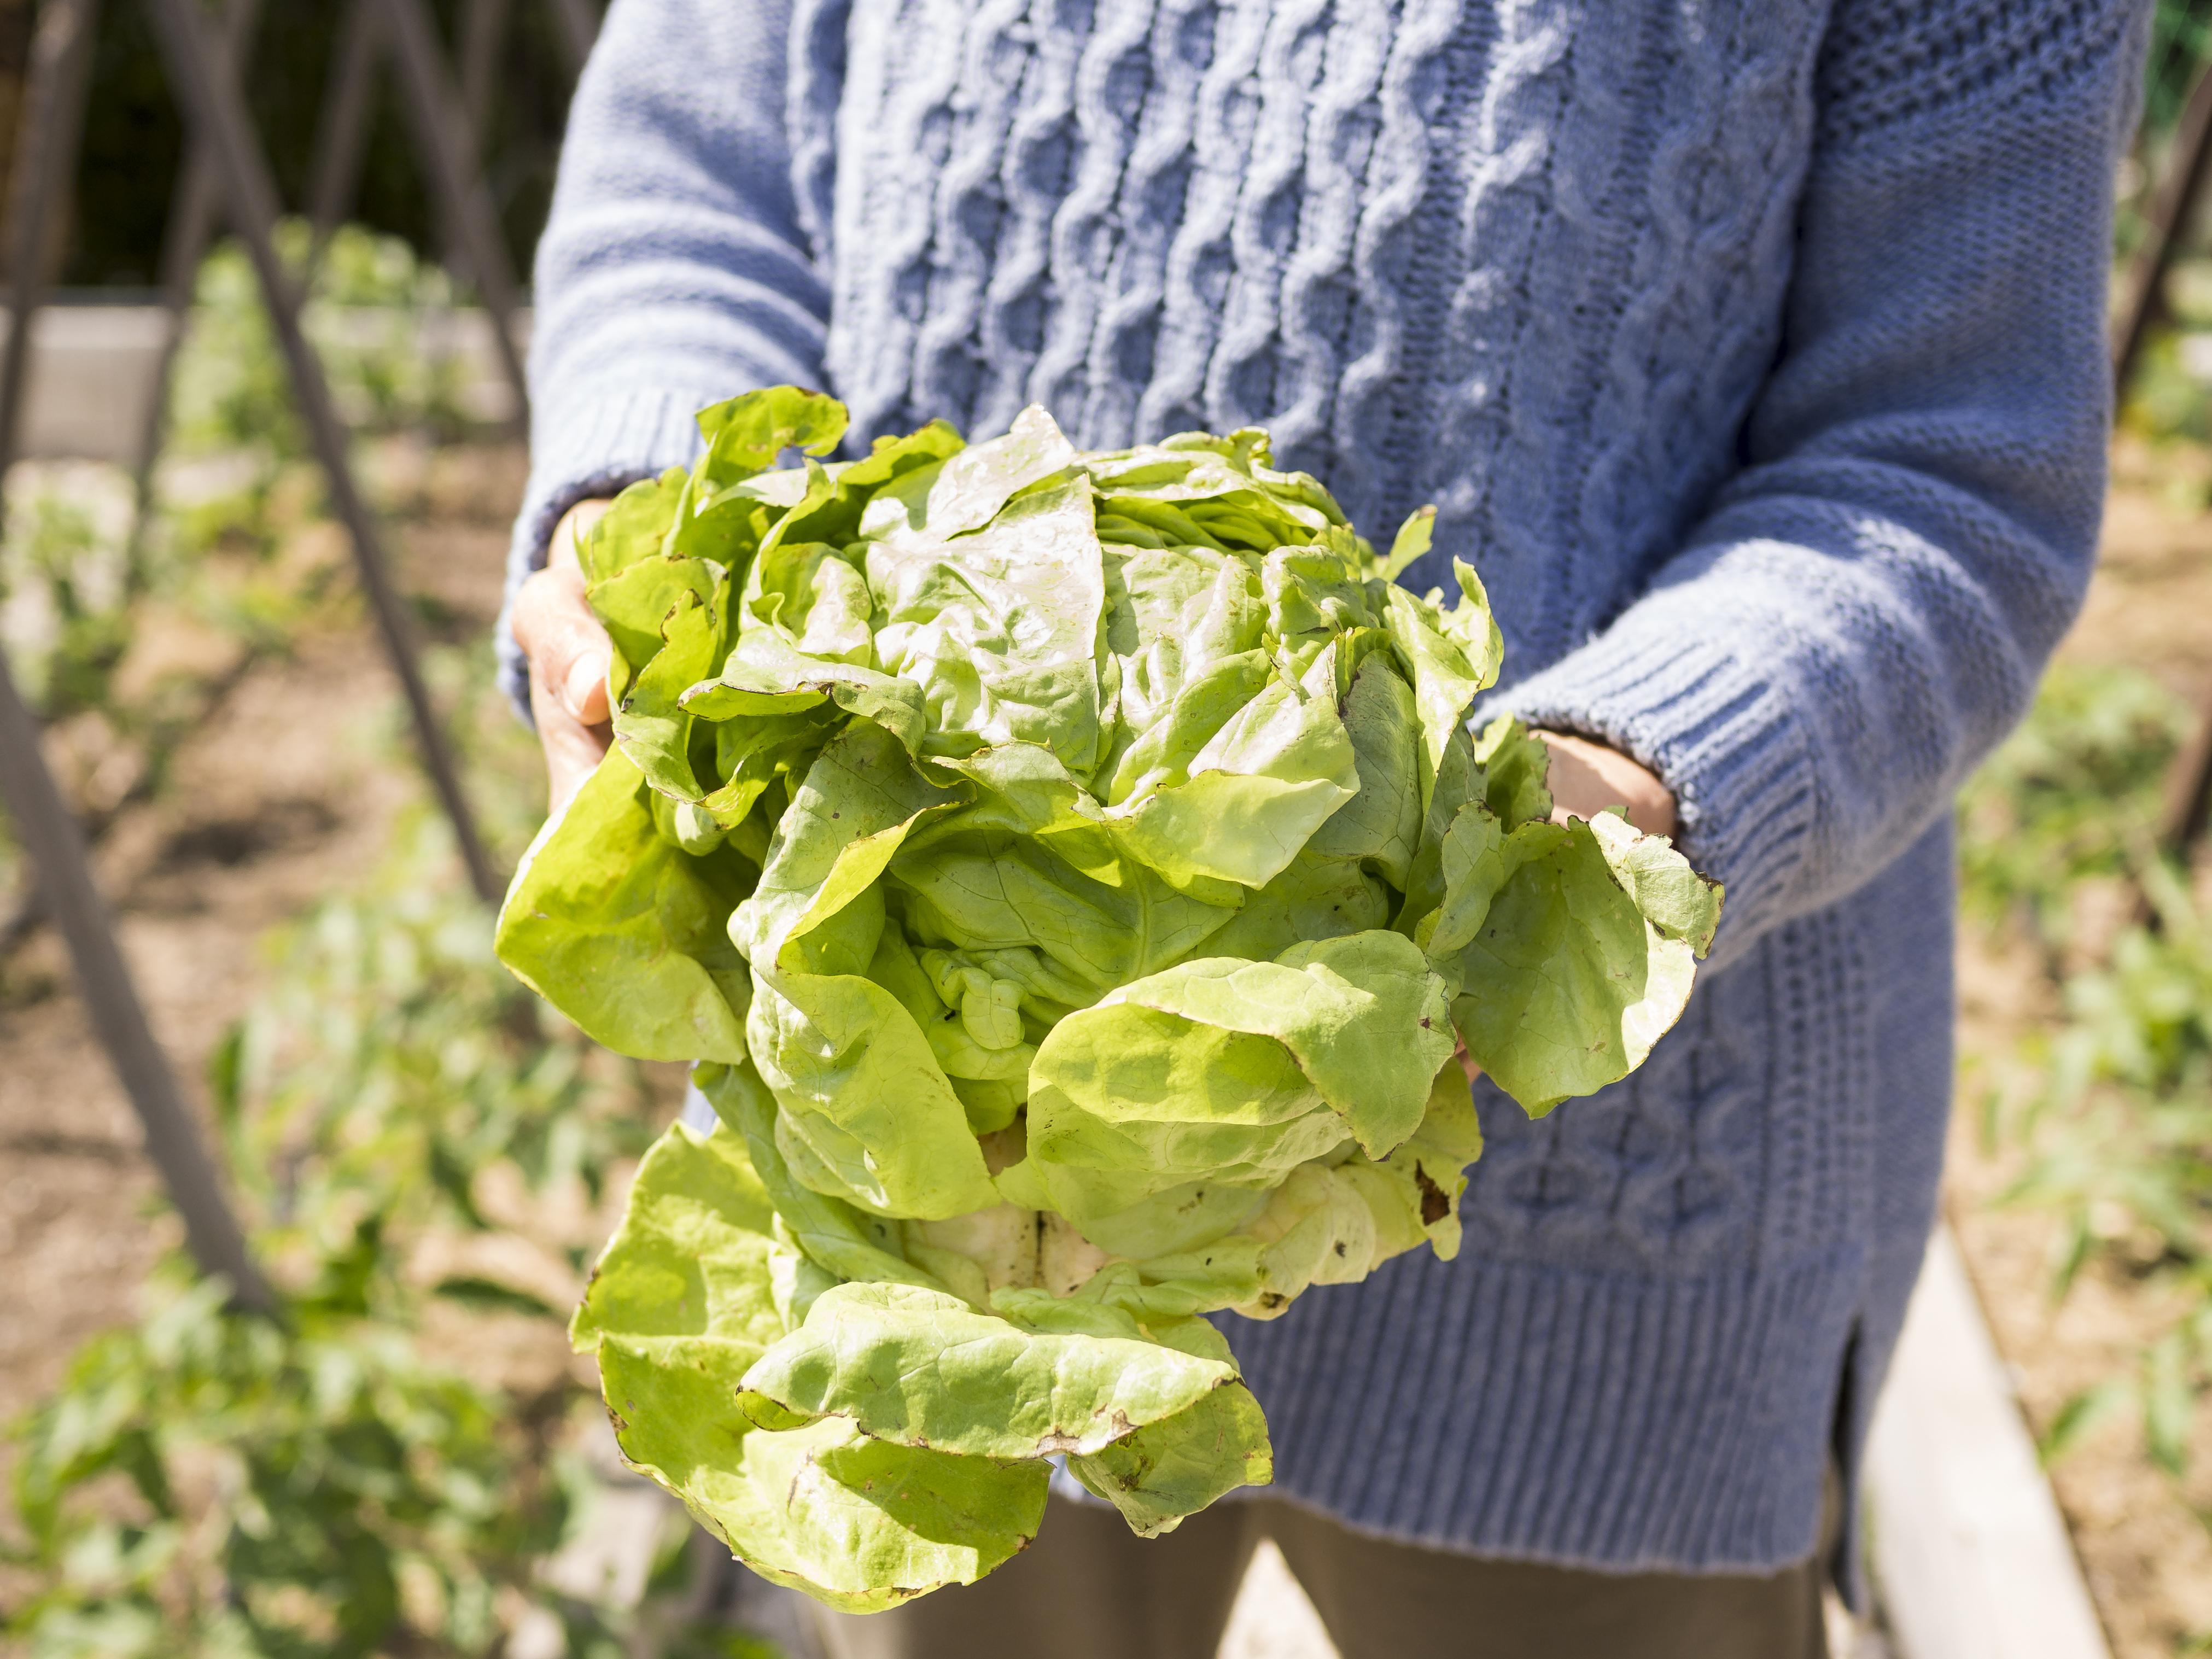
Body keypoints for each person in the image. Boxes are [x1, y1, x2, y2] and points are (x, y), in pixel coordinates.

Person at [503, 2, 2146, 1654]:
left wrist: (1569, 834)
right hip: (939, 1214)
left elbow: (1946, 466)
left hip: (1614, 1257)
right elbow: (700, 178)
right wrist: (643, 539)